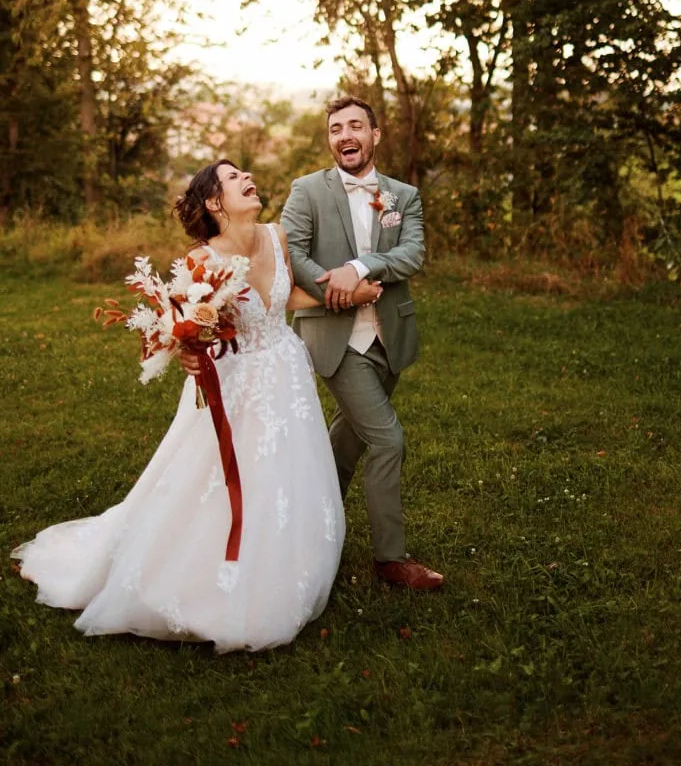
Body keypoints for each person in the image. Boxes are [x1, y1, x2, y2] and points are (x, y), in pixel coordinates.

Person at [11, 161, 378, 653]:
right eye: (233, 178)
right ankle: (212, 566)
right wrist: (187, 347)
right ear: (212, 202)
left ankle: (285, 556)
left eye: (245, 173)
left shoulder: (277, 236)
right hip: (235, 381)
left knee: (285, 468)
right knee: (223, 476)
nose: (247, 178)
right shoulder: (201, 261)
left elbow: (284, 295)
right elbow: (191, 325)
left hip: (286, 370)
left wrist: (343, 298)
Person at [281, 95, 444, 591]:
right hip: (333, 338)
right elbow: (291, 253)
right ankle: (389, 560)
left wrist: (361, 267)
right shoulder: (306, 190)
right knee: (386, 439)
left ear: (375, 135)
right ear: (329, 139)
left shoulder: (403, 195)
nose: (345, 136)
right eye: (335, 129)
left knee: (346, 445)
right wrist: (339, 292)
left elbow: (412, 254)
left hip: (388, 337)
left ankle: (309, 531)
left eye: (355, 126)